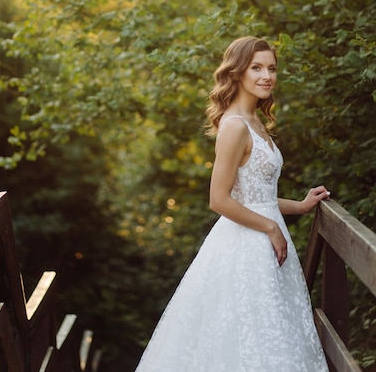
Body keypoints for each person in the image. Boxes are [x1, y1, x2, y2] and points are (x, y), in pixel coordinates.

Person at [135, 36, 330, 372]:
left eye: (271, 68)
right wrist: (271, 227)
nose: (267, 75)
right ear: (238, 72)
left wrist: (299, 206)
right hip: (247, 248)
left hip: (267, 244)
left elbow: (257, 197)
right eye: (257, 67)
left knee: (273, 335)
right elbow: (219, 200)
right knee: (247, 338)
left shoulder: (257, 122)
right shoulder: (236, 126)